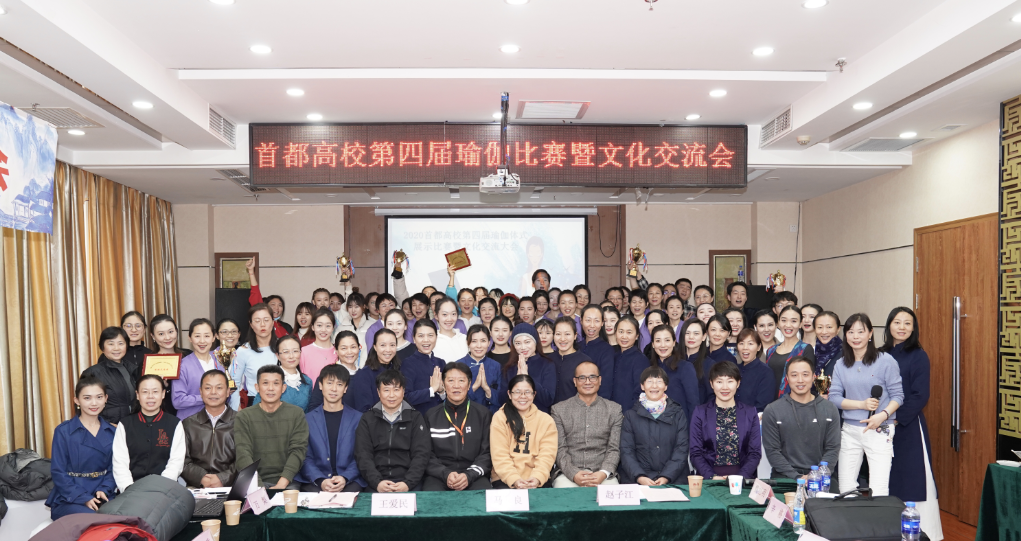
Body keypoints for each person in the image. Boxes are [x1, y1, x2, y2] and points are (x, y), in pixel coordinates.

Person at [881, 307, 943, 541]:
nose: (902, 327)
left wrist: (895, 418)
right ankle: (888, 530)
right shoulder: (879, 353)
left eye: (908, 323)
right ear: (889, 325)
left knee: (913, 479)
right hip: (881, 425)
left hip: (907, 425)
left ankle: (924, 533)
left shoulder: (918, 355)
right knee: (885, 478)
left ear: (914, 328)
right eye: (897, 322)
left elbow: (920, 395)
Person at [829, 313, 904, 497]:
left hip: (879, 429)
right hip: (850, 430)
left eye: (860, 332)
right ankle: (850, 517)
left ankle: (878, 517)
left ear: (870, 333)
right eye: (850, 332)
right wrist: (862, 404)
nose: (855, 336)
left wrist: (883, 415)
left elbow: (898, 396)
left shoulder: (885, 360)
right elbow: (834, 397)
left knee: (878, 488)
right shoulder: (841, 364)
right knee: (846, 486)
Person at [46, 376, 117, 520]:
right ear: (77, 400)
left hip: (103, 494)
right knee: (96, 519)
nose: (94, 403)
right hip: (70, 497)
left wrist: (105, 489)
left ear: (106, 398)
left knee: (123, 517)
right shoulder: (64, 431)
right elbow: (58, 472)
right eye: (87, 398)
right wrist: (83, 497)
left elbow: (115, 467)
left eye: (99, 397)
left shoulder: (113, 431)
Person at [762, 357, 841, 480]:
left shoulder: (829, 409)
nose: (800, 380)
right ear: (787, 378)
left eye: (805, 375)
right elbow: (772, 451)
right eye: (794, 375)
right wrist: (798, 477)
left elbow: (832, 449)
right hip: (785, 477)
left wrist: (816, 476)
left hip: (821, 476)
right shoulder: (773, 410)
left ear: (813, 377)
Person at [355, 370, 431, 492]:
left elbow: (421, 454)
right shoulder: (367, 419)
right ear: (378, 392)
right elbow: (363, 455)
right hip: (376, 483)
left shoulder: (415, 417)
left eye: (396, 389)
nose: (391, 395)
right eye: (386, 390)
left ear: (403, 391)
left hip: (409, 482)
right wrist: (377, 483)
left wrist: (408, 483)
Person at [235, 365, 310, 488]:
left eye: (276, 383)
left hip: (288, 481)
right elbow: (243, 455)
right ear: (257, 387)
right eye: (265, 383)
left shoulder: (297, 414)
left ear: (283, 388)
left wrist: (281, 485)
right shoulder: (244, 416)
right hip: (254, 482)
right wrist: (259, 488)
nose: (270, 388)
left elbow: (298, 451)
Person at [551, 361, 623, 487]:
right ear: (575, 381)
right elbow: (560, 449)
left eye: (592, 377)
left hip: (603, 474)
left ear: (599, 380)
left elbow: (614, 448)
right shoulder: (559, 410)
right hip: (568, 475)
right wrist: (574, 474)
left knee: (613, 497)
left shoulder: (614, 410)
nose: (587, 382)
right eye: (582, 378)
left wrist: (603, 473)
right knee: (564, 496)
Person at [423, 363, 493, 491]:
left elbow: (487, 453)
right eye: (451, 380)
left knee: (484, 499)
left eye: (461, 380)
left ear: (469, 384)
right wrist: (446, 474)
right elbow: (426, 454)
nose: (456, 385)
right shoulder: (431, 415)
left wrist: (469, 475)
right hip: (439, 475)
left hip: (474, 475)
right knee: (430, 499)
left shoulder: (483, 414)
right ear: (443, 384)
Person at [297, 365, 365, 493]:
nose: (334, 389)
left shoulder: (359, 419)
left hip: (349, 481)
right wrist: (321, 480)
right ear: (320, 385)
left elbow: (362, 455)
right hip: (316, 481)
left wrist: (345, 477)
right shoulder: (307, 420)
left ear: (345, 388)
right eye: (329, 383)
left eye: (339, 384)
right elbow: (304, 457)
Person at [112, 375, 185, 493]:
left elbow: (176, 462)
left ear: (163, 394)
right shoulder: (125, 424)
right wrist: (129, 488)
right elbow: (120, 462)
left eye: (155, 391)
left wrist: (160, 487)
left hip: (164, 490)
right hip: (131, 491)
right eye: (145, 392)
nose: (150, 396)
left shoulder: (174, 423)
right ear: (137, 395)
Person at [689, 361, 761, 479]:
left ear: (738, 383)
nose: (725, 387)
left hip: (742, 478)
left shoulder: (750, 412)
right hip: (709, 479)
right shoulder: (700, 413)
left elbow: (754, 453)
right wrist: (712, 477)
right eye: (719, 381)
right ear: (711, 384)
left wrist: (739, 478)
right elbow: (695, 453)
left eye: (730, 381)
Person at [619, 366, 690, 486]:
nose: (654, 386)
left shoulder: (678, 413)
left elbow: (681, 449)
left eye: (659, 381)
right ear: (642, 386)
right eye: (650, 381)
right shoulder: (631, 415)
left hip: (674, 478)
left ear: (666, 386)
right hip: (638, 479)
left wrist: (666, 476)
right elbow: (627, 451)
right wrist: (640, 476)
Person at [489, 375, 559, 489]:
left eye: (527, 392)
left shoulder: (546, 420)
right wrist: (514, 479)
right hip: (505, 479)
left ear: (534, 394)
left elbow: (547, 455)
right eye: (517, 392)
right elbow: (499, 455)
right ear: (509, 394)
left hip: (537, 480)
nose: (523, 396)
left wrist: (537, 478)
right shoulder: (500, 417)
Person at [181, 370, 237, 488]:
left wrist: (223, 478)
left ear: (228, 392)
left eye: (219, 388)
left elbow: (246, 459)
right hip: (197, 487)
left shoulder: (241, 422)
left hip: (232, 487)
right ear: (201, 392)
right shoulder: (188, 424)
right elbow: (181, 460)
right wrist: (201, 478)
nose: (213, 392)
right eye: (208, 388)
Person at [81, 327, 138, 425]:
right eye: (111, 344)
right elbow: (85, 405)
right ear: (102, 347)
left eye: (121, 343)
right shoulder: (93, 373)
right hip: (107, 428)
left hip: (131, 426)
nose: (116, 348)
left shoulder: (132, 369)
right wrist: (107, 425)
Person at [173, 319, 225, 419]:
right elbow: (178, 400)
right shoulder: (182, 366)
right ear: (190, 338)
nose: (202, 341)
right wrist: (207, 397)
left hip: (218, 420)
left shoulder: (221, 360)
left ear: (214, 337)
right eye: (197, 336)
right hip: (191, 421)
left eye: (207, 336)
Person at [500, 324, 556, 413]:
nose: (523, 347)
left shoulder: (547, 364)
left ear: (535, 341)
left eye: (527, 342)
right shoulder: (509, 367)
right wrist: (516, 381)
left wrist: (526, 377)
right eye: (518, 343)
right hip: (514, 417)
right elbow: (502, 399)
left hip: (539, 417)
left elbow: (548, 400)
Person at [648, 325, 700, 422]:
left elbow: (693, 403)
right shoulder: (649, 369)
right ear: (653, 344)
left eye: (667, 340)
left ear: (674, 342)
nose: (663, 345)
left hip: (680, 426)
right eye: (658, 341)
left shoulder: (685, 367)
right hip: (654, 426)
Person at [233, 303, 279, 407]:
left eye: (266, 320)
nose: (262, 324)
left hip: (281, 402)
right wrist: (236, 408)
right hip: (254, 404)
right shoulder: (243, 351)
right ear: (251, 325)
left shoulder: (282, 347)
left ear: (273, 322)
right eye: (257, 321)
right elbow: (235, 382)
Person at [253, 335, 314, 411]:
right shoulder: (269, 379)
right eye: (286, 352)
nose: (291, 356)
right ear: (278, 356)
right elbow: (256, 410)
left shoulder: (307, 382)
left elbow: (308, 412)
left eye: (295, 351)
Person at [347, 329, 401, 413]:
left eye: (392, 345)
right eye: (383, 345)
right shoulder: (364, 374)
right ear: (375, 347)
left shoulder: (400, 370)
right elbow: (364, 409)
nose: (388, 349)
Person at [767, 306, 815, 398]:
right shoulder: (771, 350)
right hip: (770, 401)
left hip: (794, 402)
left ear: (800, 324)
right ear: (778, 323)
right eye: (784, 320)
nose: (788, 325)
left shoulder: (805, 349)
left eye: (793, 321)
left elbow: (808, 380)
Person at [401, 319, 446, 413]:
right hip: (419, 418)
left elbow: (448, 398)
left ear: (436, 337)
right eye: (421, 336)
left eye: (430, 335)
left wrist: (441, 391)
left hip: (441, 417)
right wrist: (432, 390)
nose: (426, 340)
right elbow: (405, 397)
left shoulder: (441, 363)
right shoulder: (408, 363)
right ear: (414, 339)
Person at [458, 325, 502, 413]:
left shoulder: (496, 366)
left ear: (489, 342)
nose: (479, 346)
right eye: (474, 341)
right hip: (465, 415)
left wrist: (487, 388)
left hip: (491, 415)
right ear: (467, 343)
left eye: (483, 341)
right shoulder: (458, 366)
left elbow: (502, 399)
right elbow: (454, 398)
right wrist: (474, 387)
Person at [551, 316, 594, 404]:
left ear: (575, 336)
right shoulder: (548, 359)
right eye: (558, 334)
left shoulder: (584, 362)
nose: (562, 339)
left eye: (567, 334)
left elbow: (588, 394)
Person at [732, 329, 776, 412]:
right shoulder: (734, 370)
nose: (745, 348)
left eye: (750, 344)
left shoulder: (766, 373)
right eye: (741, 343)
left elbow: (763, 405)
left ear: (759, 347)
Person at [245, 258, 289, 338]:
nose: (276, 308)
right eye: (273, 304)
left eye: (280, 305)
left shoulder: (286, 327)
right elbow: (255, 292)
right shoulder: (264, 325)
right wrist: (251, 272)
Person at [579, 305, 615, 400]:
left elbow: (606, 384)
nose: (592, 325)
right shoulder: (576, 346)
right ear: (581, 321)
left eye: (596, 321)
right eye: (588, 320)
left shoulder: (607, 350)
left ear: (602, 323)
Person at [612, 316, 646, 412]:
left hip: (629, 414)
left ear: (637, 336)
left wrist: (630, 414)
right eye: (621, 331)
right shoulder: (613, 356)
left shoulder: (641, 360)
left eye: (629, 332)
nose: (624, 336)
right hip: (611, 413)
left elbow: (640, 392)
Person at [299, 308, 339, 382]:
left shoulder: (338, 352)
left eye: (328, 326)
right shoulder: (304, 352)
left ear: (333, 328)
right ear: (313, 327)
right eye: (319, 325)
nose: (323, 330)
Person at [336, 292, 372, 367]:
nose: (353, 310)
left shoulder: (371, 326)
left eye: (357, 306)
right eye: (350, 307)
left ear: (364, 307)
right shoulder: (342, 327)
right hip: (346, 367)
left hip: (367, 366)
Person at [434, 297, 470, 363]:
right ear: (436, 315)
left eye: (453, 314)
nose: (449, 319)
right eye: (445, 314)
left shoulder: (465, 339)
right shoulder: (432, 340)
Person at [814, 311, 843, 378]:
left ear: (838, 329)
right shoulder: (811, 351)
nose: (824, 332)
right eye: (820, 327)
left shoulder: (846, 353)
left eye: (829, 327)